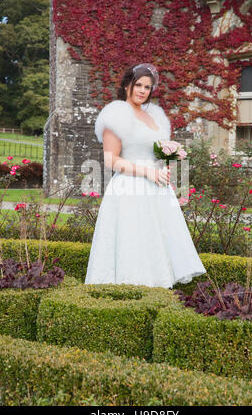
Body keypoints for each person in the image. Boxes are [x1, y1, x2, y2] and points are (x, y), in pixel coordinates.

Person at [84, 63, 206, 288]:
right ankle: (132, 289)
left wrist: (166, 163)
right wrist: (147, 172)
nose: (142, 90)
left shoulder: (155, 116)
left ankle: (157, 289)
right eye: (137, 84)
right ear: (127, 85)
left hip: (157, 188)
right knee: (133, 236)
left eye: (147, 87)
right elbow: (111, 160)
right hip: (130, 188)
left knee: (156, 238)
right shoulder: (116, 114)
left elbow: (155, 151)